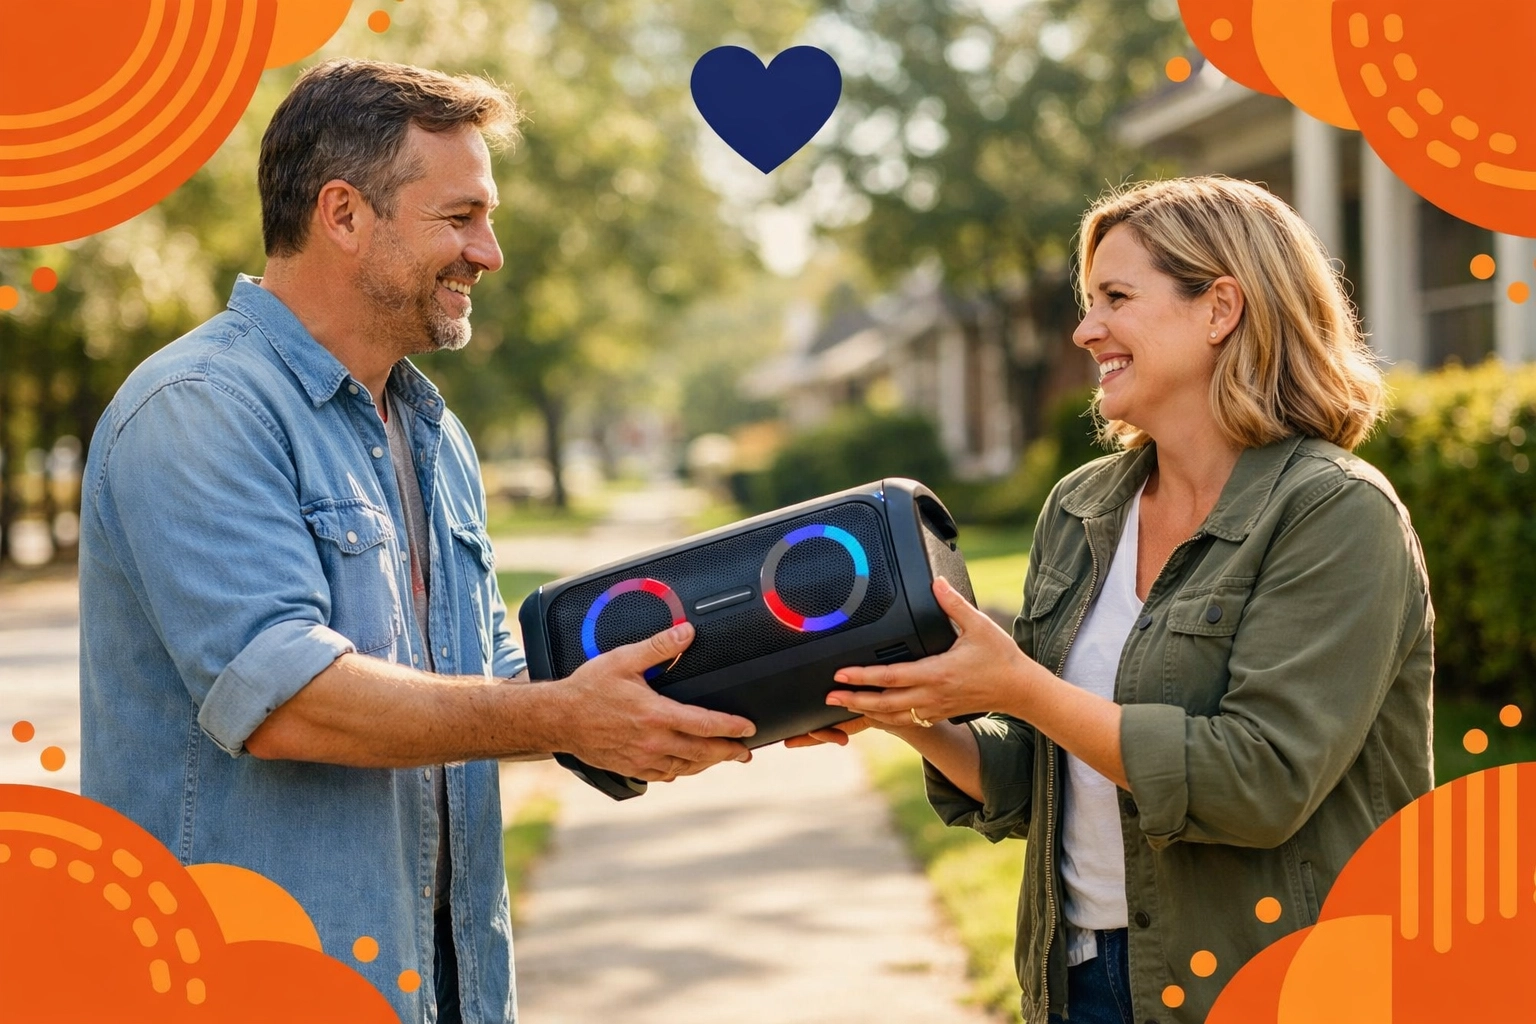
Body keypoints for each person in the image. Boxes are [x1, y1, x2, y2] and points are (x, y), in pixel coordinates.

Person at [78, 59, 756, 1024]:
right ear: (344, 214)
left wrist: (733, 683)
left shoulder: (432, 434)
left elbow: (484, 670)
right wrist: (568, 718)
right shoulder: (200, 409)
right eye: (460, 217)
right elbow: (289, 701)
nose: (490, 252)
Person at [803, 177, 1434, 1024]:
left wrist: (1019, 686)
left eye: (1116, 298)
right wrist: (907, 712)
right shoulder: (1082, 507)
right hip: (1082, 981)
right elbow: (1045, 775)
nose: (1084, 329)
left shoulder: (1334, 511)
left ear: (1221, 309)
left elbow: (1260, 781)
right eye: (1086, 299)